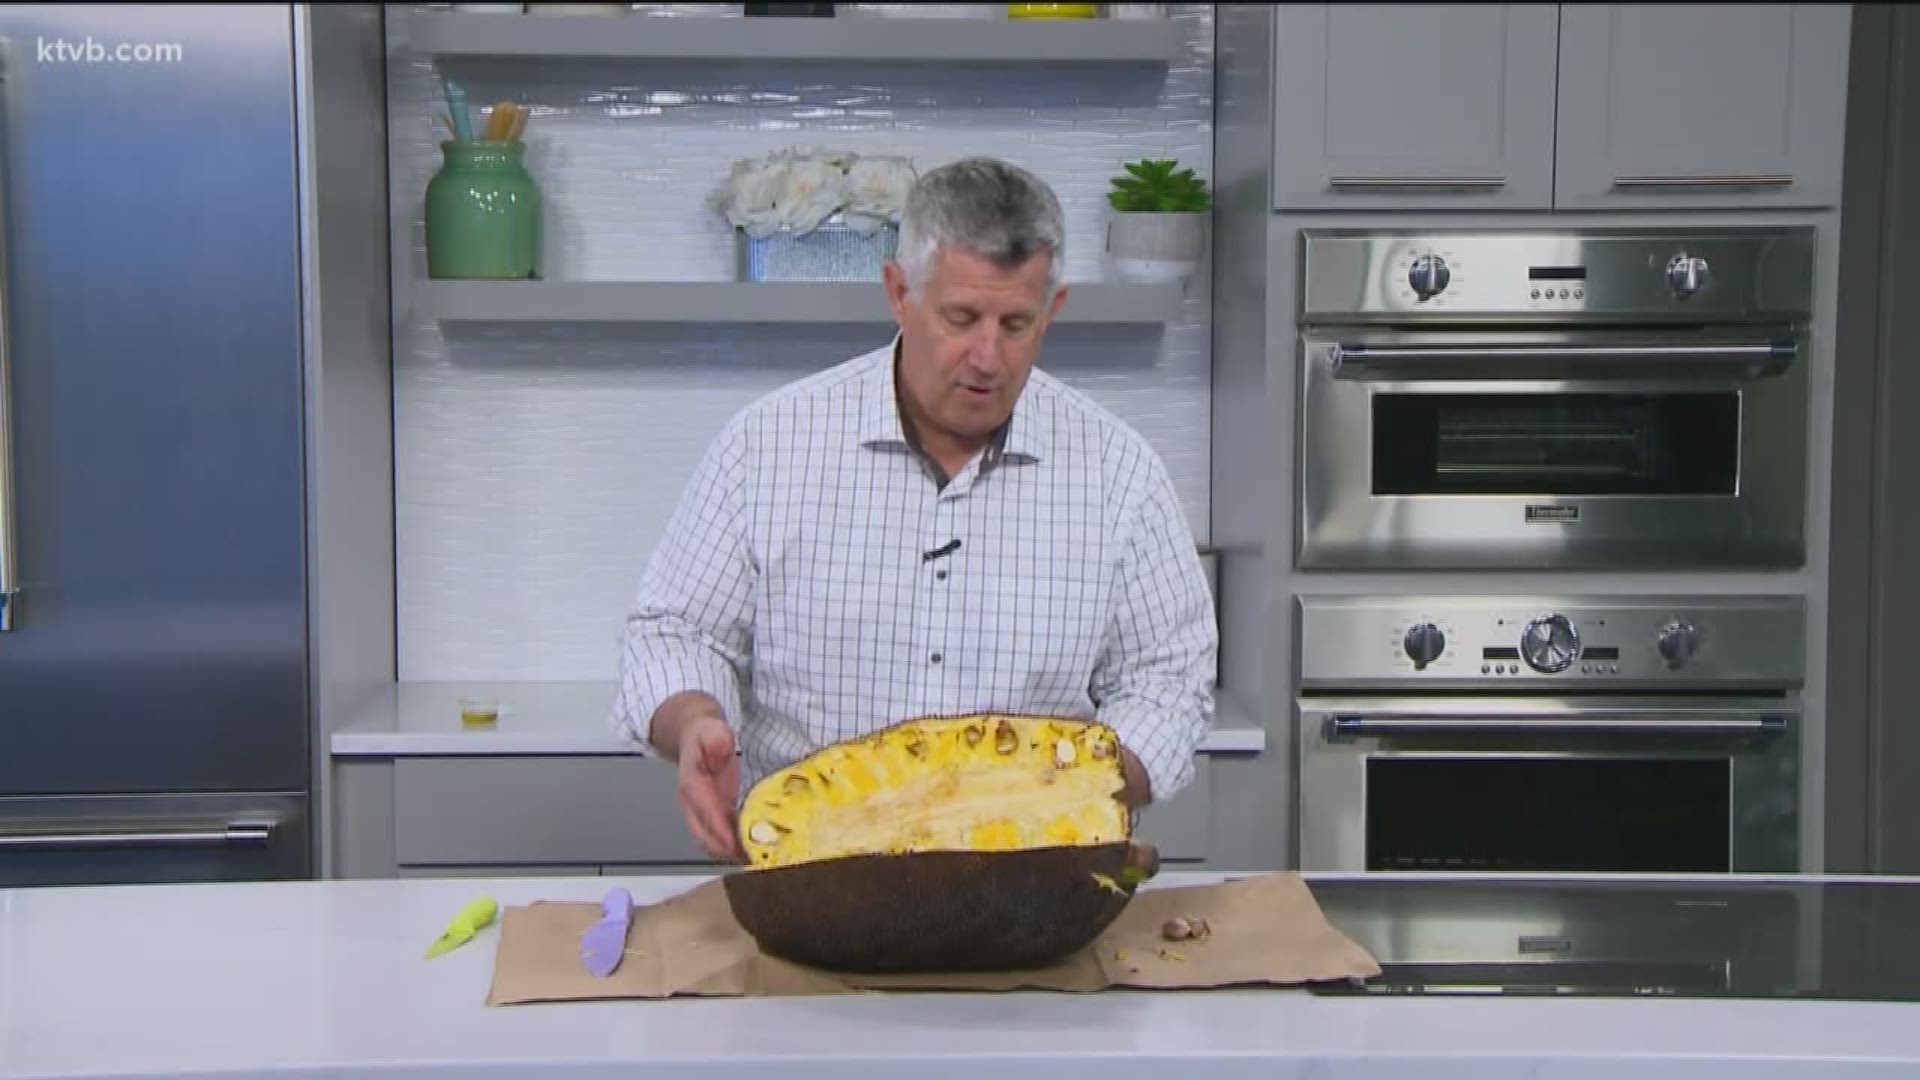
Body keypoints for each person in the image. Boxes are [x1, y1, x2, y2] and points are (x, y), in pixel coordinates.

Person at [611, 156, 1217, 861]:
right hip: (808, 876)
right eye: (961, 317)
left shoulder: (1122, 473)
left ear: (1052, 311)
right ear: (899, 293)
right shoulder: (767, 447)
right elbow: (675, 632)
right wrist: (694, 722)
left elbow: (1169, 678)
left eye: (1016, 323)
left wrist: (1073, 798)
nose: (987, 357)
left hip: (1037, 886)